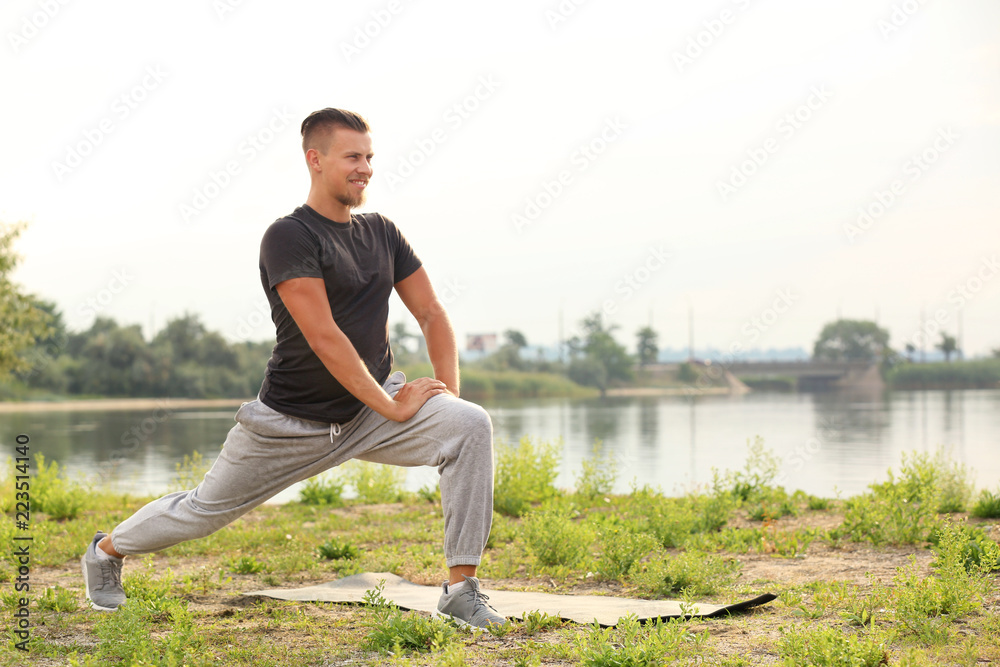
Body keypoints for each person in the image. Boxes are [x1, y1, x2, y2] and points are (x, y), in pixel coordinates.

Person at [80, 108, 504, 629]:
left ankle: (461, 589)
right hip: (290, 421)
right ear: (315, 159)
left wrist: (447, 399)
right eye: (353, 157)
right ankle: (106, 551)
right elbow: (324, 337)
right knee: (201, 512)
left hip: (369, 410)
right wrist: (393, 405)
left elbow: (432, 313)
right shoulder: (289, 236)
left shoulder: (383, 233)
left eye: (369, 157)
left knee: (470, 424)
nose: (365, 168)